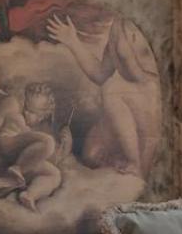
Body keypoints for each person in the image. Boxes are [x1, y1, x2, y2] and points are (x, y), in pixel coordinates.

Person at [45, 13, 160, 176]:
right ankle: (123, 161)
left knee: (111, 89)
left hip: (151, 103)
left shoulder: (137, 25)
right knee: (91, 155)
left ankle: (134, 162)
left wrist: (128, 56)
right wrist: (72, 41)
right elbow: (100, 74)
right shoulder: (117, 28)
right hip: (129, 103)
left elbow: (149, 79)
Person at [0, 73, 72, 210]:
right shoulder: (11, 105)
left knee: (54, 174)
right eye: (27, 108)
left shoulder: (35, 125)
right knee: (48, 142)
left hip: (12, 163)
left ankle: (29, 195)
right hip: (1, 151)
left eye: (35, 113)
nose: (27, 113)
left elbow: (40, 156)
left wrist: (65, 148)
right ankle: (16, 171)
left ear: (43, 116)